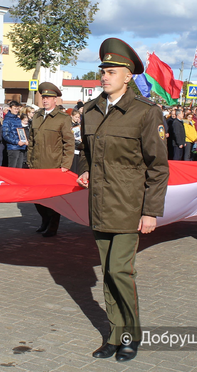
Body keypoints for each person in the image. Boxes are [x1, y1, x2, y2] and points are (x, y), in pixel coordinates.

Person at [76, 38, 169, 362]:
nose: (105, 76)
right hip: (100, 206)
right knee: (107, 273)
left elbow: (158, 167)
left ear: (128, 76)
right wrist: (85, 170)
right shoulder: (89, 111)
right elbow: (86, 153)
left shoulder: (145, 113)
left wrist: (151, 212)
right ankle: (115, 335)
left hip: (130, 207)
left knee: (119, 271)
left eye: (112, 71)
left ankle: (130, 335)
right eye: (103, 70)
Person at [28, 82, 75, 237]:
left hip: (53, 166)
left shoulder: (62, 118)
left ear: (55, 99)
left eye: (48, 97)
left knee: (53, 199)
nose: (45, 100)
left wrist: (65, 165)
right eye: (44, 97)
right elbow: (31, 141)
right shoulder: (37, 116)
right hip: (36, 166)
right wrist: (29, 162)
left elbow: (69, 143)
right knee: (37, 199)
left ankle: (53, 225)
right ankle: (45, 220)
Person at [2, 101, 27, 168]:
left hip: (21, 146)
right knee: (12, 168)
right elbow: (5, 135)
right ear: (10, 108)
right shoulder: (7, 120)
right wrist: (17, 142)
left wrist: (24, 140)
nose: (16, 110)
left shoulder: (18, 119)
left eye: (18, 108)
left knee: (19, 168)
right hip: (13, 148)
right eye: (15, 108)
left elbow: (21, 132)